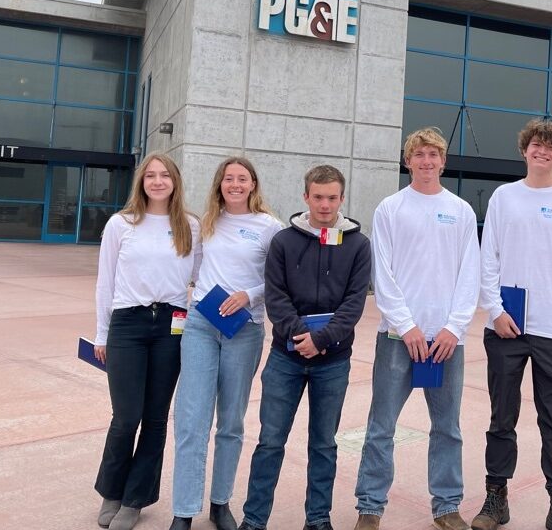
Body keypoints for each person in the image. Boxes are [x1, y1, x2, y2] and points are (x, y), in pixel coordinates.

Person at [471, 119, 552, 530]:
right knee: (501, 416)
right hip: (507, 326)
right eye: (536, 145)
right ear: (525, 150)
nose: (542, 152)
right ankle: (496, 497)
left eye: (550, 147)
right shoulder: (504, 197)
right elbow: (486, 256)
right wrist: (494, 310)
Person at [353, 128, 480, 530]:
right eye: (419, 154)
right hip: (397, 340)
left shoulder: (460, 211)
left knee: (447, 428)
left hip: (445, 342)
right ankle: (370, 508)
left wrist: (453, 328)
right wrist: (406, 326)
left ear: (443, 161)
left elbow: (469, 275)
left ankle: (446, 507)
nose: (426, 161)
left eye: (433, 154)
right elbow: (382, 273)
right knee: (380, 428)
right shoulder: (390, 208)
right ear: (408, 161)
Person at [239, 165, 371, 530]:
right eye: (318, 197)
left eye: (332, 197)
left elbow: (354, 302)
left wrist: (322, 339)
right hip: (286, 357)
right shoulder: (283, 241)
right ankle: (254, 520)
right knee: (269, 442)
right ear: (305, 198)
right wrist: (302, 338)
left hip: (333, 361)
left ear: (342, 199)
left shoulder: (358, 245)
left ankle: (317, 520)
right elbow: (276, 297)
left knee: (324, 445)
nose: (325, 205)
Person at [169, 157, 283, 530]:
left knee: (231, 421)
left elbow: (279, 281)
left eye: (242, 179)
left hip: (244, 328)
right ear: (220, 184)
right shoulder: (208, 224)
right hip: (202, 323)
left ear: (253, 185)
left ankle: (220, 502)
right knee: (191, 419)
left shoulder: (269, 228)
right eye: (228, 179)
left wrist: (248, 294)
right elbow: (195, 269)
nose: (235, 184)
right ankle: (184, 509)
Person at [93, 153, 201, 530]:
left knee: (155, 419)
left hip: (172, 324)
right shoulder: (121, 224)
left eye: (165, 175)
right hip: (128, 323)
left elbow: (202, 279)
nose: (157, 181)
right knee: (126, 417)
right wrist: (101, 333)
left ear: (175, 182)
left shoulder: (190, 226)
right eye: (151, 175)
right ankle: (112, 490)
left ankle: (136, 499)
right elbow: (105, 282)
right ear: (141, 181)